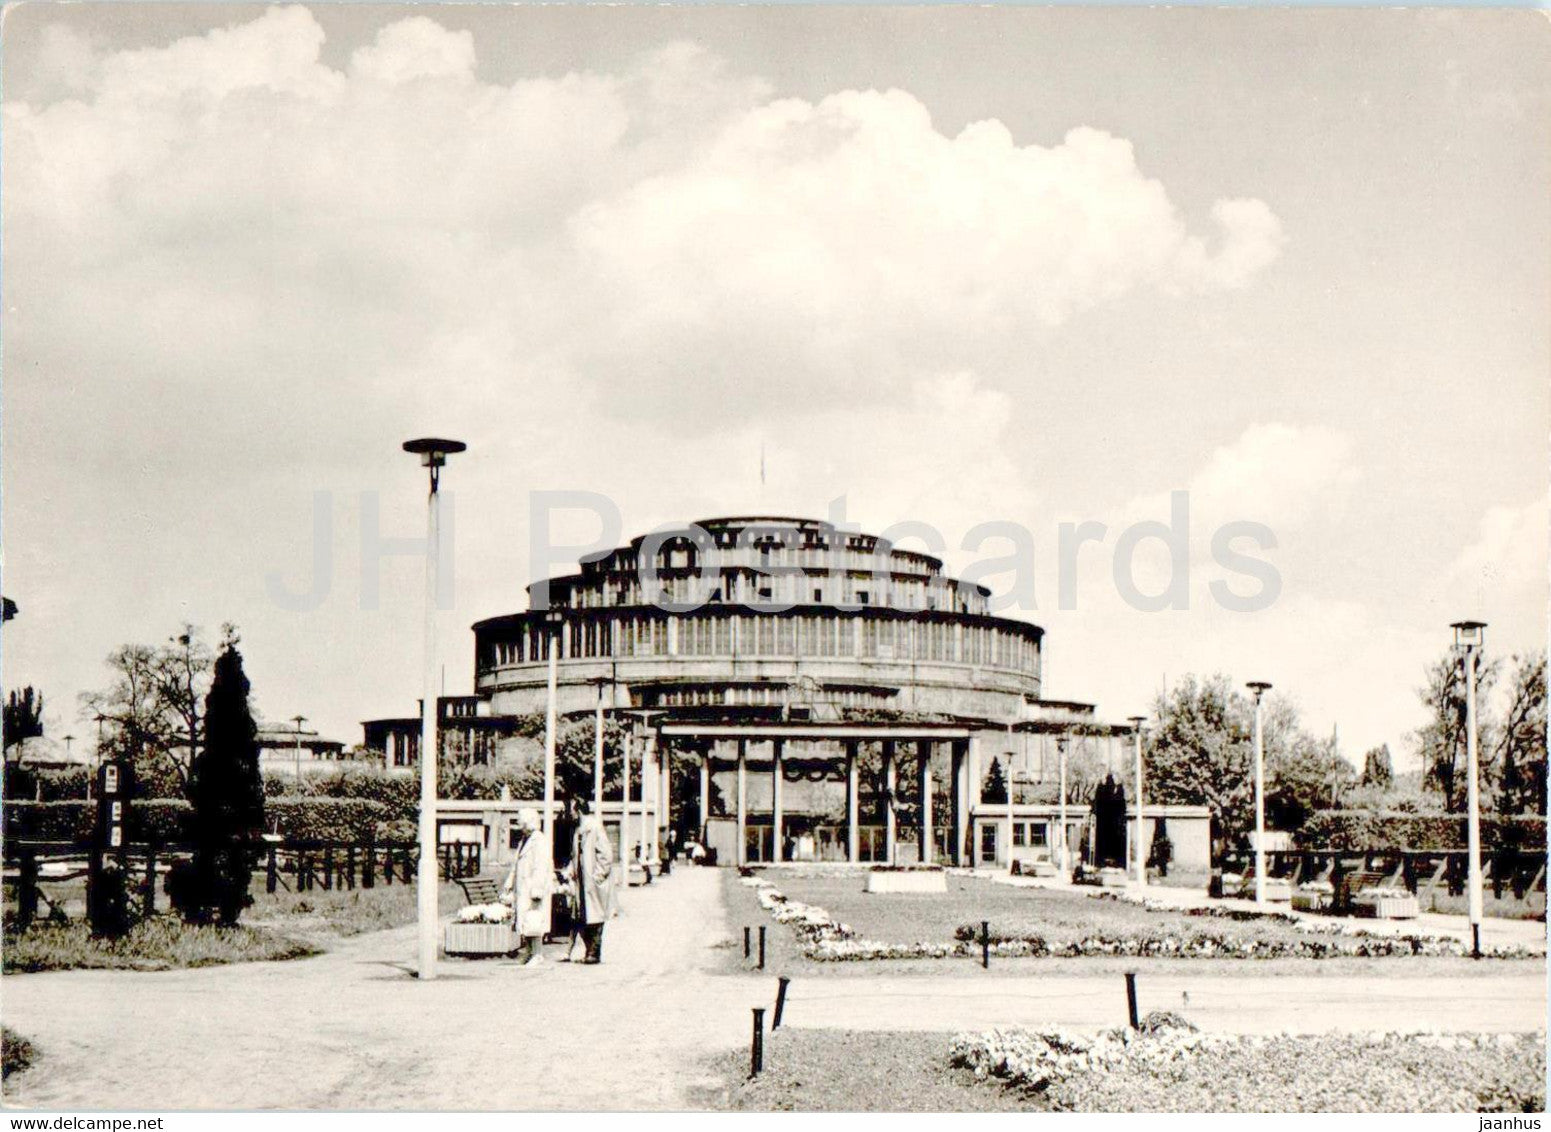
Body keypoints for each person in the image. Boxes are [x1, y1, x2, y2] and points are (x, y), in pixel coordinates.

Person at [565, 797, 615, 964]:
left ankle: (593, 953)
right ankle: (589, 952)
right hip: (581, 882)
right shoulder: (578, 830)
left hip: (592, 882)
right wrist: (571, 871)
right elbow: (575, 856)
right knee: (581, 916)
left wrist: (597, 877)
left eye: (571, 810)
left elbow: (606, 855)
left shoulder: (594, 827)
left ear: (578, 810)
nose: (569, 814)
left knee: (595, 916)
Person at [501, 808, 553, 967]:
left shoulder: (540, 841)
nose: (518, 825)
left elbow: (541, 866)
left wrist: (537, 888)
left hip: (533, 887)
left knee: (534, 920)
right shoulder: (524, 841)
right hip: (522, 887)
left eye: (520, 822)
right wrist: (509, 881)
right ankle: (529, 952)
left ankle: (537, 953)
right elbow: (516, 864)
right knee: (525, 920)